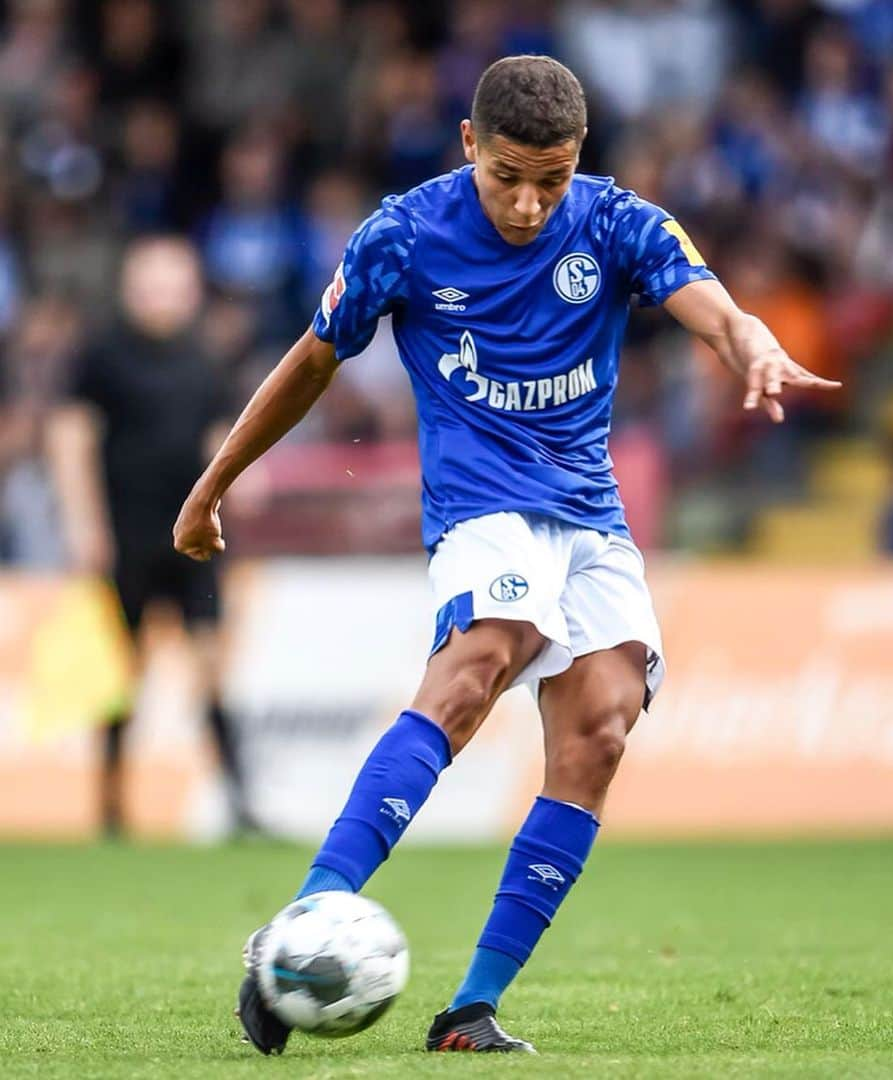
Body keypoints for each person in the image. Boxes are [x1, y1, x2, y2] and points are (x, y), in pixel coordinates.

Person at [173, 56, 840, 1055]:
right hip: (484, 507)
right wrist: (216, 481)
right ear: (469, 146)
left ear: (579, 164)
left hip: (590, 516)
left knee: (602, 732)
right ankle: (304, 919)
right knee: (493, 648)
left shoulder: (618, 222)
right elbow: (312, 361)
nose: (529, 205)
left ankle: (471, 1010)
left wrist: (744, 339)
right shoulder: (403, 235)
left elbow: (702, 297)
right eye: (509, 178)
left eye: (552, 180)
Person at [50, 235, 252, 836]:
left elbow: (226, 439)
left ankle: (239, 801)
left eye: (173, 284)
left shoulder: (207, 359)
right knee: (121, 673)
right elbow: (70, 440)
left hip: (195, 540)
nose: (163, 296)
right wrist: (84, 524)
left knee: (214, 666)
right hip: (127, 537)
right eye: (152, 283)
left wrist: (236, 498)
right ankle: (111, 807)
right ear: (130, 287)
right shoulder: (101, 355)